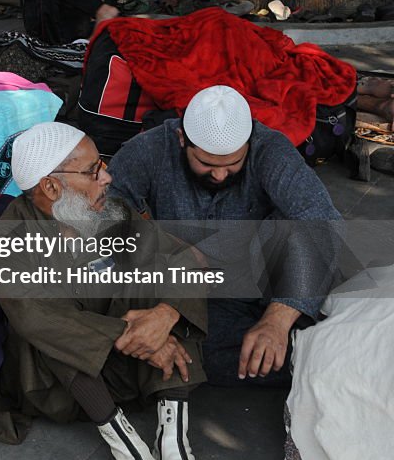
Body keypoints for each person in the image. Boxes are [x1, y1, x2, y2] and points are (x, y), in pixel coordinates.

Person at [0, 121, 215, 460]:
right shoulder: (9, 244)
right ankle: (130, 453)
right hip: (59, 384)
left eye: (102, 165)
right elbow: (41, 321)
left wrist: (163, 316)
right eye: (94, 170)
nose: (107, 177)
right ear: (51, 186)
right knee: (54, 329)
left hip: (123, 366)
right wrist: (132, 334)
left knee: (162, 275)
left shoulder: (109, 212)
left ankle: (172, 444)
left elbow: (182, 259)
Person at [108, 86, 344, 388]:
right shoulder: (147, 150)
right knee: (196, 354)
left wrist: (277, 320)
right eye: (206, 164)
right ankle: (310, 356)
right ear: (182, 139)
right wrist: (169, 250)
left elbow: (321, 220)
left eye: (232, 165)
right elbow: (105, 219)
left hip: (267, 277)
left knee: (310, 249)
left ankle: (302, 343)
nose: (220, 176)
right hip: (199, 290)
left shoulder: (270, 148)